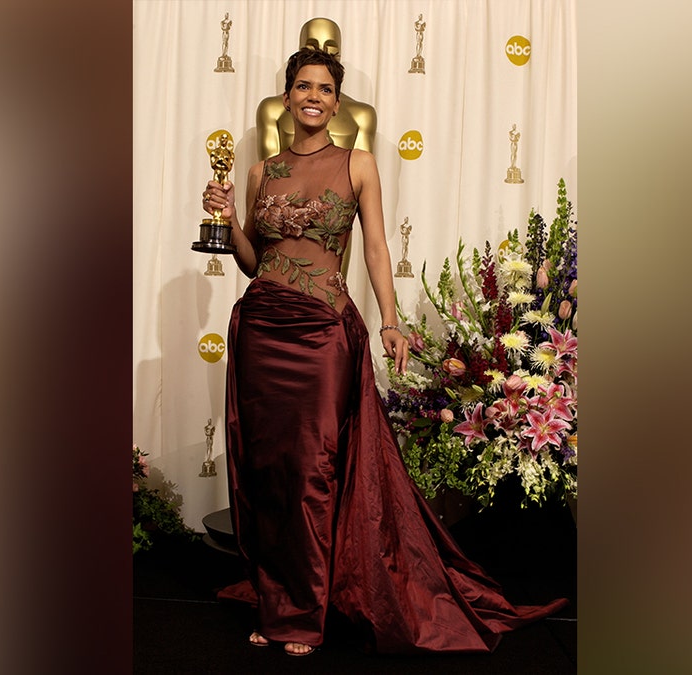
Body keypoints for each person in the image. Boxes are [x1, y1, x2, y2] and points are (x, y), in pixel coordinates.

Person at [201, 48, 566, 657]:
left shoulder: (358, 163)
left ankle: (302, 614)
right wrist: (230, 219)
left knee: (311, 470)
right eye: (302, 87)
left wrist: (390, 320)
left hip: (322, 332)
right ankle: (276, 597)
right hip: (262, 325)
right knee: (267, 471)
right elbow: (251, 260)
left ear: (335, 102)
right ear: (287, 96)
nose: (312, 96)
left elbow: (373, 247)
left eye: (323, 88)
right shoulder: (263, 170)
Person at [255, 18, 376, 159]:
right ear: (286, 99)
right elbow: (270, 175)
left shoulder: (362, 115)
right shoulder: (271, 110)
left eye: (330, 48)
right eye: (303, 86)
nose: (321, 52)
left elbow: (358, 172)